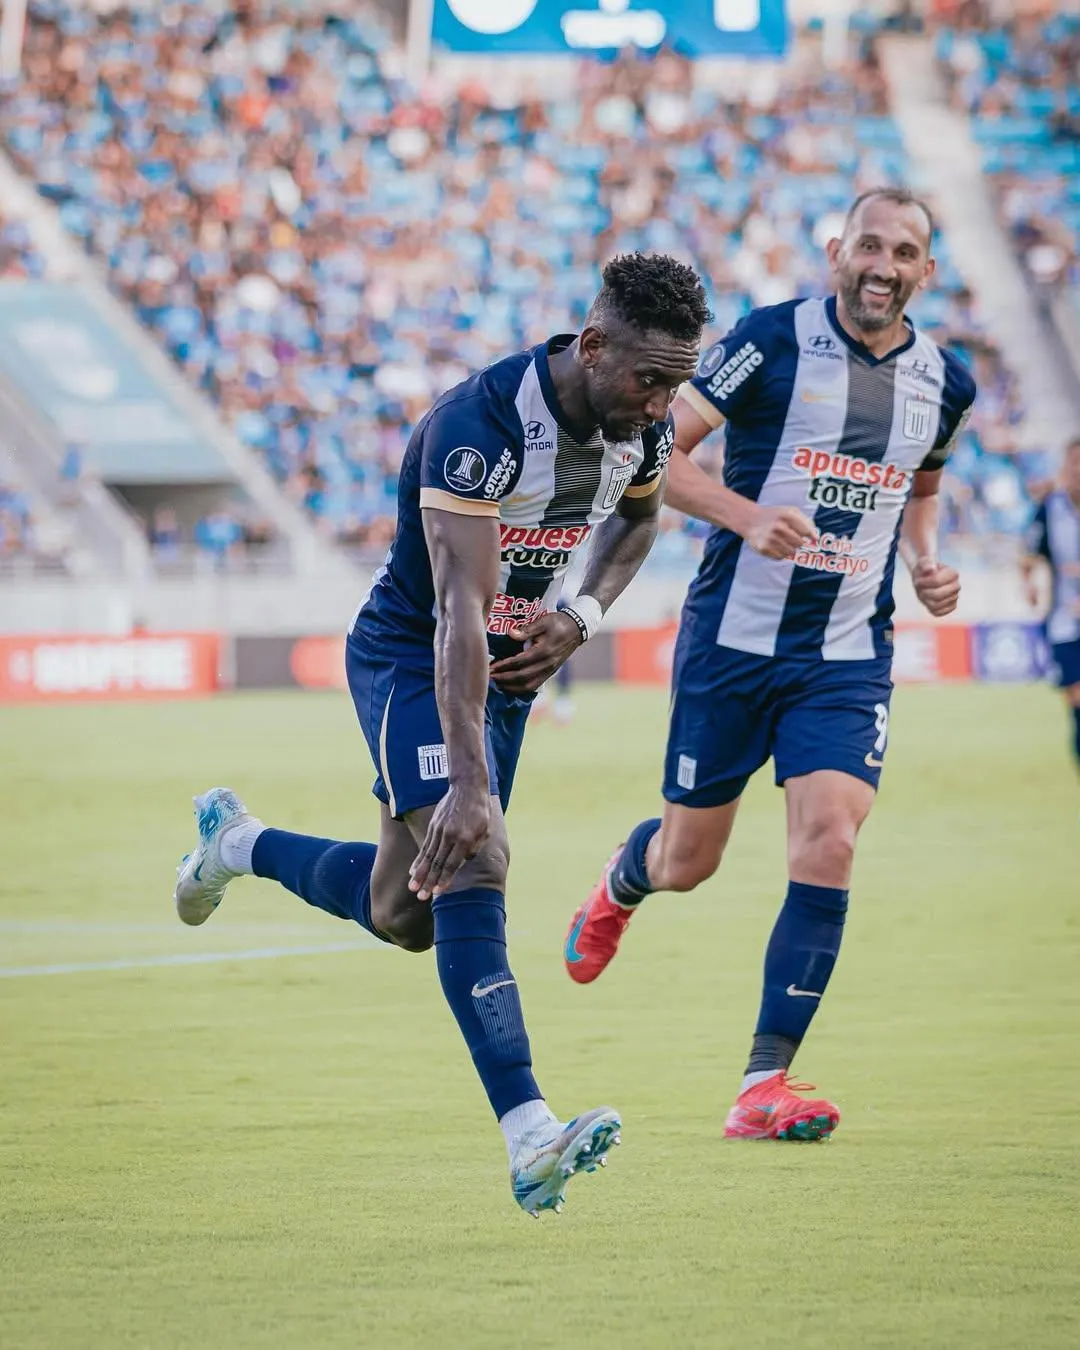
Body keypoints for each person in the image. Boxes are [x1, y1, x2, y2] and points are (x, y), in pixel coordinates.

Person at [173, 253, 711, 1214]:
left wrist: (580, 615)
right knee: (478, 857)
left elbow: (639, 525)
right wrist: (469, 782)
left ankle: (238, 844)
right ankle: (530, 1134)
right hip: (416, 657)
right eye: (650, 380)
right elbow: (460, 606)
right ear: (593, 346)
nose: (664, 403)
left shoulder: (642, 427)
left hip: (500, 678)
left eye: (677, 383)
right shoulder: (482, 424)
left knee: (405, 914)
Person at [563, 190, 977, 1141]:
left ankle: (762, 1085)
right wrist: (746, 516)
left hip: (846, 656)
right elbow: (656, 456)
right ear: (837, 251)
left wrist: (926, 561)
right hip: (732, 645)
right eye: (868, 245)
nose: (882, 266)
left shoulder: (945, 383)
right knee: (689, 862)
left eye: (903, 252)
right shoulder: (769, 341)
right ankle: (627, 878)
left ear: (926, 271)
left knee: (830, 837)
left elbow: (923, 485)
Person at [1021, 438, 1080, 776]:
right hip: (1064, 622)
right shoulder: (1050, 508)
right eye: (1074, 463)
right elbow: (1030, 552)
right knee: (1076, 698)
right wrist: (1028, 581)